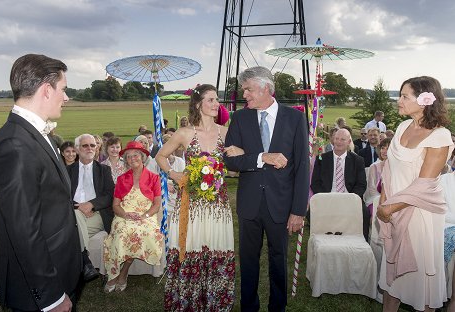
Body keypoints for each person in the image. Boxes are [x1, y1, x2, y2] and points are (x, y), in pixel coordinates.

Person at [0, 54, 81, 311]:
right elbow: (24, 231)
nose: (67, 97)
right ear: (46, 90)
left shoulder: (38, 136)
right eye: (63, 89)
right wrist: (51, 298)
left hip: (58, 269)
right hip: (38, 292)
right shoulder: (15, 145)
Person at [224, 67, 309, 311]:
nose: (245, 95)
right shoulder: (240, 118)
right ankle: (248, 307)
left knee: (278, 260)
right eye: (244, 90)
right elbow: (229, 160)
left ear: (265, 88)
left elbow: (302, 167)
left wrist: (298, 210)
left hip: (281, 204)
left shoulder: (294, 118)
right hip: (249, 204)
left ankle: (277, 307)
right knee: (248, 262)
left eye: (248, 89)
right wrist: (262, 157)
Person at [376, 76, 454, 311]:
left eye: (404, 96)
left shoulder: (439, 136)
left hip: (420, 217)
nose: (398, 101)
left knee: (422, 284)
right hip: (392, 211)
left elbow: (424, 186)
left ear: (424, 101)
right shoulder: (401, 127)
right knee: (392, 283)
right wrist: (383, 203)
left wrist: (389, 208)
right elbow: (388, 169)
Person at [156, 84, 236, 311]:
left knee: (215, 246)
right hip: (190, 204)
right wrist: (173, 174)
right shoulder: (184, 133)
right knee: (191, 247)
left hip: (218, 204)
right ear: (198, 104)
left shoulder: (225, 132)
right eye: (211, 100)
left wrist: (237, 158)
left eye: (217, 100)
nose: (216, 104)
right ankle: (187, 301)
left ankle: (215, 302)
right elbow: (161, 156)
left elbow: (235, 166)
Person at [103, 141, 163, 293]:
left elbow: (156, 204)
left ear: (142, 157)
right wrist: (125, 214)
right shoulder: (122, 179)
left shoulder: (154, 178)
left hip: (146, 216)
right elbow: (115, 205)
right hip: (124, 214)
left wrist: (145, 215)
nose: (132, 159)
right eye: (128, 157)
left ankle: (122, 274)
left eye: (135, 155)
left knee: (141, 233)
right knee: (122, 233)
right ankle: (113, 275)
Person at [310, 128, 369, 240]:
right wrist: (326, 198)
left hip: (350, 197)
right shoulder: (321, 159)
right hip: (327, 197)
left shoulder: (358, 160)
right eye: (336, 138)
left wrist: (350, 199)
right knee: (310, 213)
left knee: (364, 213)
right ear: (332, 139)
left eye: (343, 139)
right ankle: (320, 241)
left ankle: (361, 243)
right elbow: (315, 183)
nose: (338, 142)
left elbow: (361, 185)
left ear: (349, 142)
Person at [67, 134, 115, 251]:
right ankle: (86, 261)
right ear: (77, 149)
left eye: (93, 145)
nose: (90, 148)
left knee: (69, 233)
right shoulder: (68, 171)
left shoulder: (104, 170)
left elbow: (110, 195)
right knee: (77, 217)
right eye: (85, 145)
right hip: (73, 212)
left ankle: (83, 261)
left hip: (97, 213)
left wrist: (91, 205)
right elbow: (62, 195)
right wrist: (79, 207)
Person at [363, 137, 391, 215]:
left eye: (388, 148)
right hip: (375, 200)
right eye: (382, 148)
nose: (384, 151)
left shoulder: (398, 168)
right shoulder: (374, 167)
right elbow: (371, 189)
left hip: (393, 201)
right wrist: (382, 201)